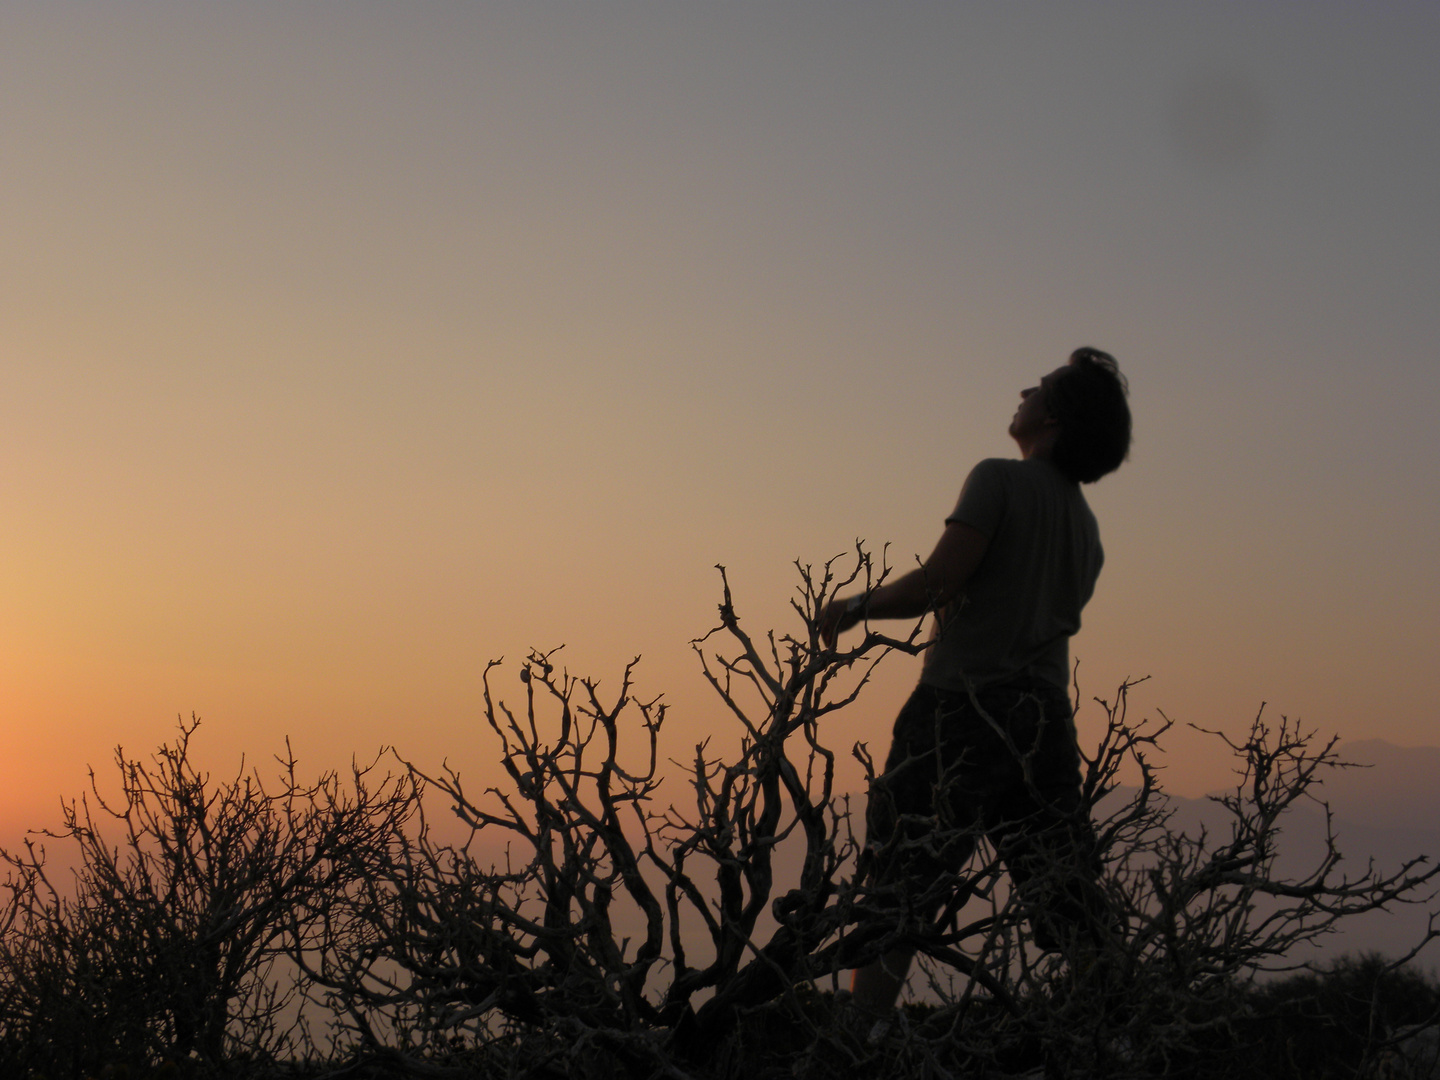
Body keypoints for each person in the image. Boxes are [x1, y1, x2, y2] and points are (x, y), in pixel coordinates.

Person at [818, 347, 1131, 1017]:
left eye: (1039, 387)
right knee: (1070, 899)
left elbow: (937, 582)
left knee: (895, 894)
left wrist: (851, 607)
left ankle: (850, 1049)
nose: (1024, 390)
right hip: (1045, 722)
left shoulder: (998, 480)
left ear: (1054, 415)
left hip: (960, 711)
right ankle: (1114, 1038)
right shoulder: (1086, 528)